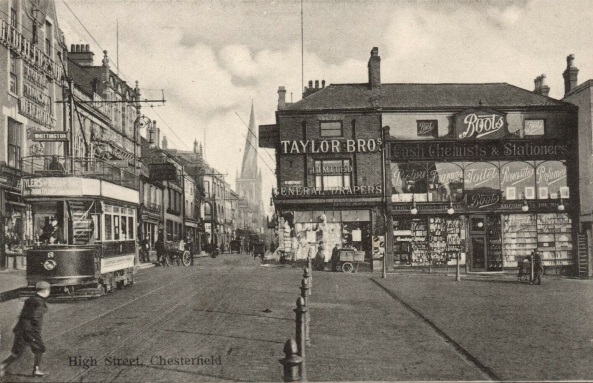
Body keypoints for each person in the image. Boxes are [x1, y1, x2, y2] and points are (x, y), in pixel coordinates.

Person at [0, 281, 51, 378]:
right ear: (46, 291)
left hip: (20, 328)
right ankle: (36, 370)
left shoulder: (30, 299)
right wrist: (36, 332)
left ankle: (2, 366)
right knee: (40, 349)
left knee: (17, 352)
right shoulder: (40, 302)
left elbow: (22, 314)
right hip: (30, 331)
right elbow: (35, 317)